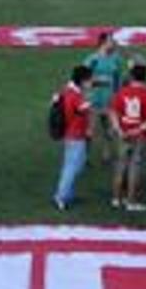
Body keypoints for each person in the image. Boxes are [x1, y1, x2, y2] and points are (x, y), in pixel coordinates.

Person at [110, 62, 146, 214]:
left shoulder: (122, 92)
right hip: (140, 136)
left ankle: (116, 199)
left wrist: (119, 130)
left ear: (132, 76)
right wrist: (137, 130)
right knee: (134, 168)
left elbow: (113, 112)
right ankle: (131, 201)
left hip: (123, 135)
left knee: (121, 166)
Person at [52, 63, 95, 211]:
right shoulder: (77, 96)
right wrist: (89, 97)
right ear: (82, 81)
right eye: (89, 80)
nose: (91, 82)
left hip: (70, 135)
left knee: (73, 165)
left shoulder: (68, 90)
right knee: (72, 168)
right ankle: (61, 196)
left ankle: (68, 194)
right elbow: (86, 107)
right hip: (76, 136)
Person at [84, 33, 125, 165]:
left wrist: (119, 96)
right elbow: (84, 81)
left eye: (113, 41)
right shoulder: (92, 60)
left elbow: (118, 79)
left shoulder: (116, 59)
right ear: (103, 43)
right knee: (89, 132)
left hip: (110, 101)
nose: (113, 44)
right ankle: (84, 157)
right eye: (111, 41)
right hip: (94, 101)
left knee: (110, 131)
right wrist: (99, 81)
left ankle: (106, 156)